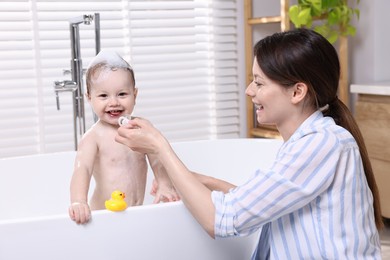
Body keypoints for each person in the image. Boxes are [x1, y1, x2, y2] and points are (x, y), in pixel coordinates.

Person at [115, 28, 384, 259]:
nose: (249, 91)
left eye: (258, 82)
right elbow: (257, 203)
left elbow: (220, 220)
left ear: (297, 92)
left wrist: (160, 146)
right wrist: (197, 179)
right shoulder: (311, 140)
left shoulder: (322, 144)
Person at [69, 50, 179, 224]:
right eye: (103, 95)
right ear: (89, 98)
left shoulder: (140, 127)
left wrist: (164, 183)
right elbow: (82, 169)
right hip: (102, 216)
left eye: (122, 94)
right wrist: (78, 201)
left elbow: (157, 157)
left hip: (134, 213)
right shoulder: (93, 137)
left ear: (134, 95)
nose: (114, 102)